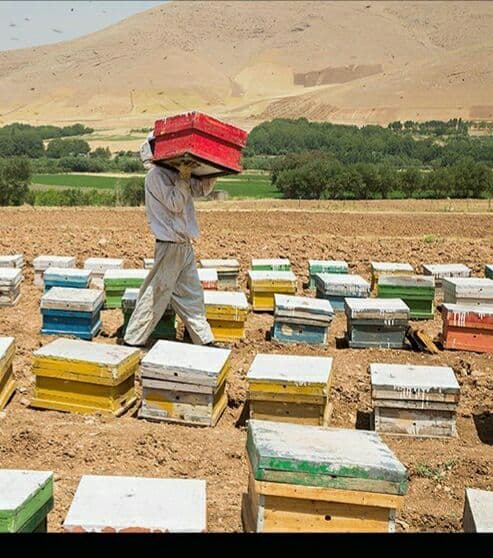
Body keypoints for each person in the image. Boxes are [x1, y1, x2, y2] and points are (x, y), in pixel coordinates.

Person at [123, 134, 216, 347]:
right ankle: (133, 340)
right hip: (169, 245)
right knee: (156, 294)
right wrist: (183, 176)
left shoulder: (176, 172)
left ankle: (204, 339)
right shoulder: (155, 176)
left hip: (184, 245)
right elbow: (175, 203)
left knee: (192, 296)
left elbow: (200, 189)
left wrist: (212, 171)